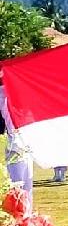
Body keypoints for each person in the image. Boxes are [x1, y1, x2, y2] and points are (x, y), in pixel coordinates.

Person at [0, 74, 33, 204]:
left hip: (25, 143)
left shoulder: (21, 100)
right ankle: (19, 217)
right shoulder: (4, 97)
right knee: (17, 186)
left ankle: (26, 218)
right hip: (13, 144)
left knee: (27, 188)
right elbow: (4, 105)